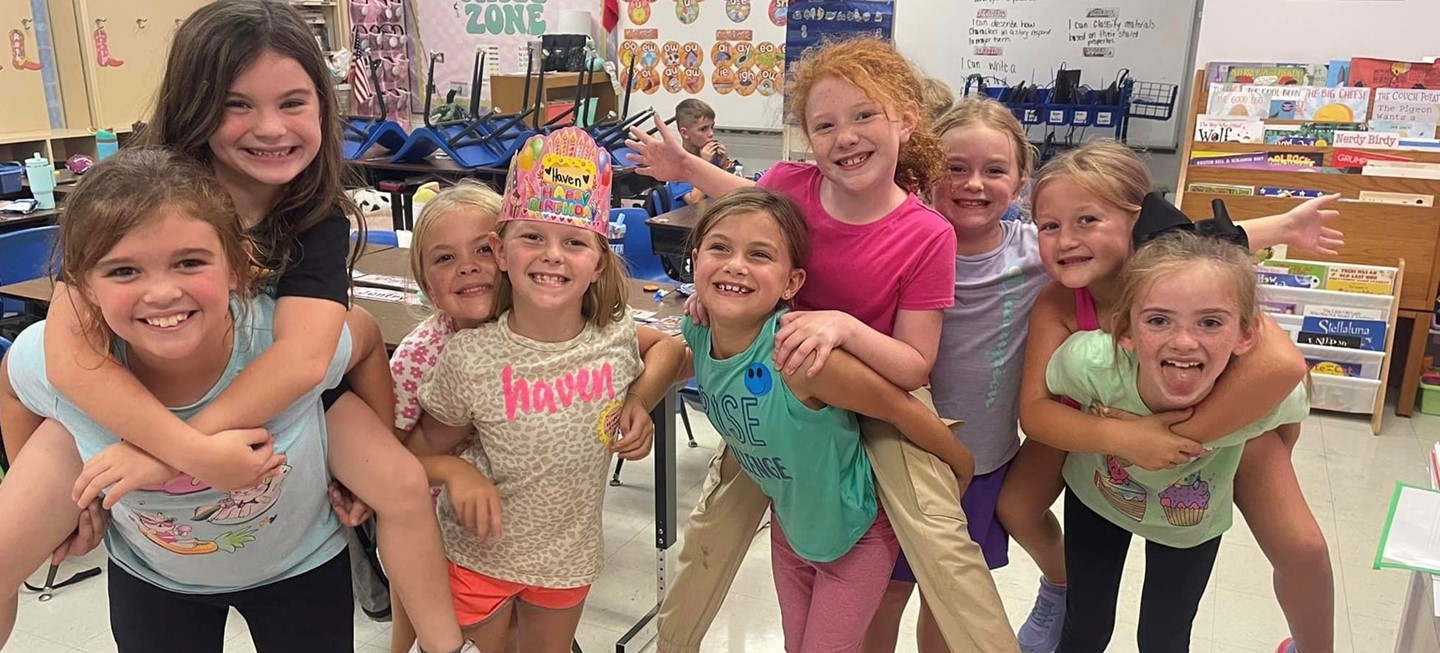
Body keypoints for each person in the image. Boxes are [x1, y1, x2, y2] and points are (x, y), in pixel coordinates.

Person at [34, 3, 469, 652]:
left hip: (275, 410)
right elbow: (61, 357)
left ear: (322, 106)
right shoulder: (134, 194)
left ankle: (443, 643)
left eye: (293, 102)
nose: (270, 127)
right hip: (160, 410)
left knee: (400, 485)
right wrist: (181, 453)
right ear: (195, 107)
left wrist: (167, 454)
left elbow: (304, 362)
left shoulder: (312, 212)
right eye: (237, 105)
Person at [626, 37, 1019, 653]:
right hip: (790, 393)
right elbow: (744, 211)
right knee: (714, 533)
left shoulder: (926, 233)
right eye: (825, 125)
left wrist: (843, 326)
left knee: (945, 554)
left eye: (864, 115)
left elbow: (914, 365)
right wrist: (690, 187)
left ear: (905, 120)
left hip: (868, 393)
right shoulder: (791, 182)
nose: (845, 137)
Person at [0, 148, 365, 651]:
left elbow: (363, 342)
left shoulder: (279, 346)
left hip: (301, 569)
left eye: (189, 262)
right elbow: (12, 386)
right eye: (124, 271)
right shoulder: (71, 366)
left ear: (239, 265)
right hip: (154, 582)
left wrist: (376, 466)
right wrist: (65, 512)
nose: (161, 293)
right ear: (84, 286)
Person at [1009, 140, 1341, 653]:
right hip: (1100, 440)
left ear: (1137, 220)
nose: (1067, 239)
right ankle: (1057, 588)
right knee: (1018, 509)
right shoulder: (1070, 320)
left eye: (1087, 220)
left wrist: (1174, 441)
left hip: (1211, 437)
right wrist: (1127, 438)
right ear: (1125, 330)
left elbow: (1279, 368)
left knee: (1301, 550)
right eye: (1049, 226)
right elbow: (1036, 412)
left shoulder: (1188, 280)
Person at [409, 128, 686, 652]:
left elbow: (669, 351)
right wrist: (456, 472)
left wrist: (638, 402)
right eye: (532, 237)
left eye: (574, 242)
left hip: (567, 561)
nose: (553, 255)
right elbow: (416, 454)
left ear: (597, 263)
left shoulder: (614, 336)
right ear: (501, 251)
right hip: (478, 558)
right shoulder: (471, 357)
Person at [680, 188, 976, 651]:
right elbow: (661, 351)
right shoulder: (697, 330)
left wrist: (961, 463)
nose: (736, 265)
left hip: (855, 537)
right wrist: (639, 399)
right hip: (790, 527)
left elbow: (899, 407)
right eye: (720, 248)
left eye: (759, 254)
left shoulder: (800, 361)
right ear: (696, 260)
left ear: (792, 283)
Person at [1046, 230, 1309, 652]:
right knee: (1086, 627)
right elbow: (1045, 402)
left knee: (1164, 638)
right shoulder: (1091, 364)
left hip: (1191, 527)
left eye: (1210, 322)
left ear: (1246, 334)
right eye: (1158, 320)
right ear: (1125, 330)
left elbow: (1290, 417)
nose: (1184, 341)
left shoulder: (1260, 400)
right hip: (1096, 502)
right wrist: (1110, 433)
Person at [865, 97, 1047, 653]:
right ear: (927, 172)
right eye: (956, 167)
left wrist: (1263, 229)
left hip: (983, 463)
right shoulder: (902, 242)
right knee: (884, 594)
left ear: (1020, 183)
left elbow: (1133, 244)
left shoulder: (1039, 253)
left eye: (994, 170)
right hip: (896, 462)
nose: (973, 184)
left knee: (948, 601)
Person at [385, 179, 507, 653]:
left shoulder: (542, 332)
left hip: (513, 535)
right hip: (435, 537)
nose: (468, 266)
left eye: (485, 248)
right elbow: (387, 467)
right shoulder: (419, 357)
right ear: (426, 286)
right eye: (444, 258)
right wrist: (453, 471)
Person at [673, 98, 734, 205]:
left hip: (712, 212)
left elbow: (726, 194)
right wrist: (705, 164)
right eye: (703, 129)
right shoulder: (677, 164)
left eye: (712, 127)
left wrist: (722, 165)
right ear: (685, 133)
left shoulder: (712, 157)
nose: (711, 134)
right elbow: (694, 201)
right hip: (687, 215)